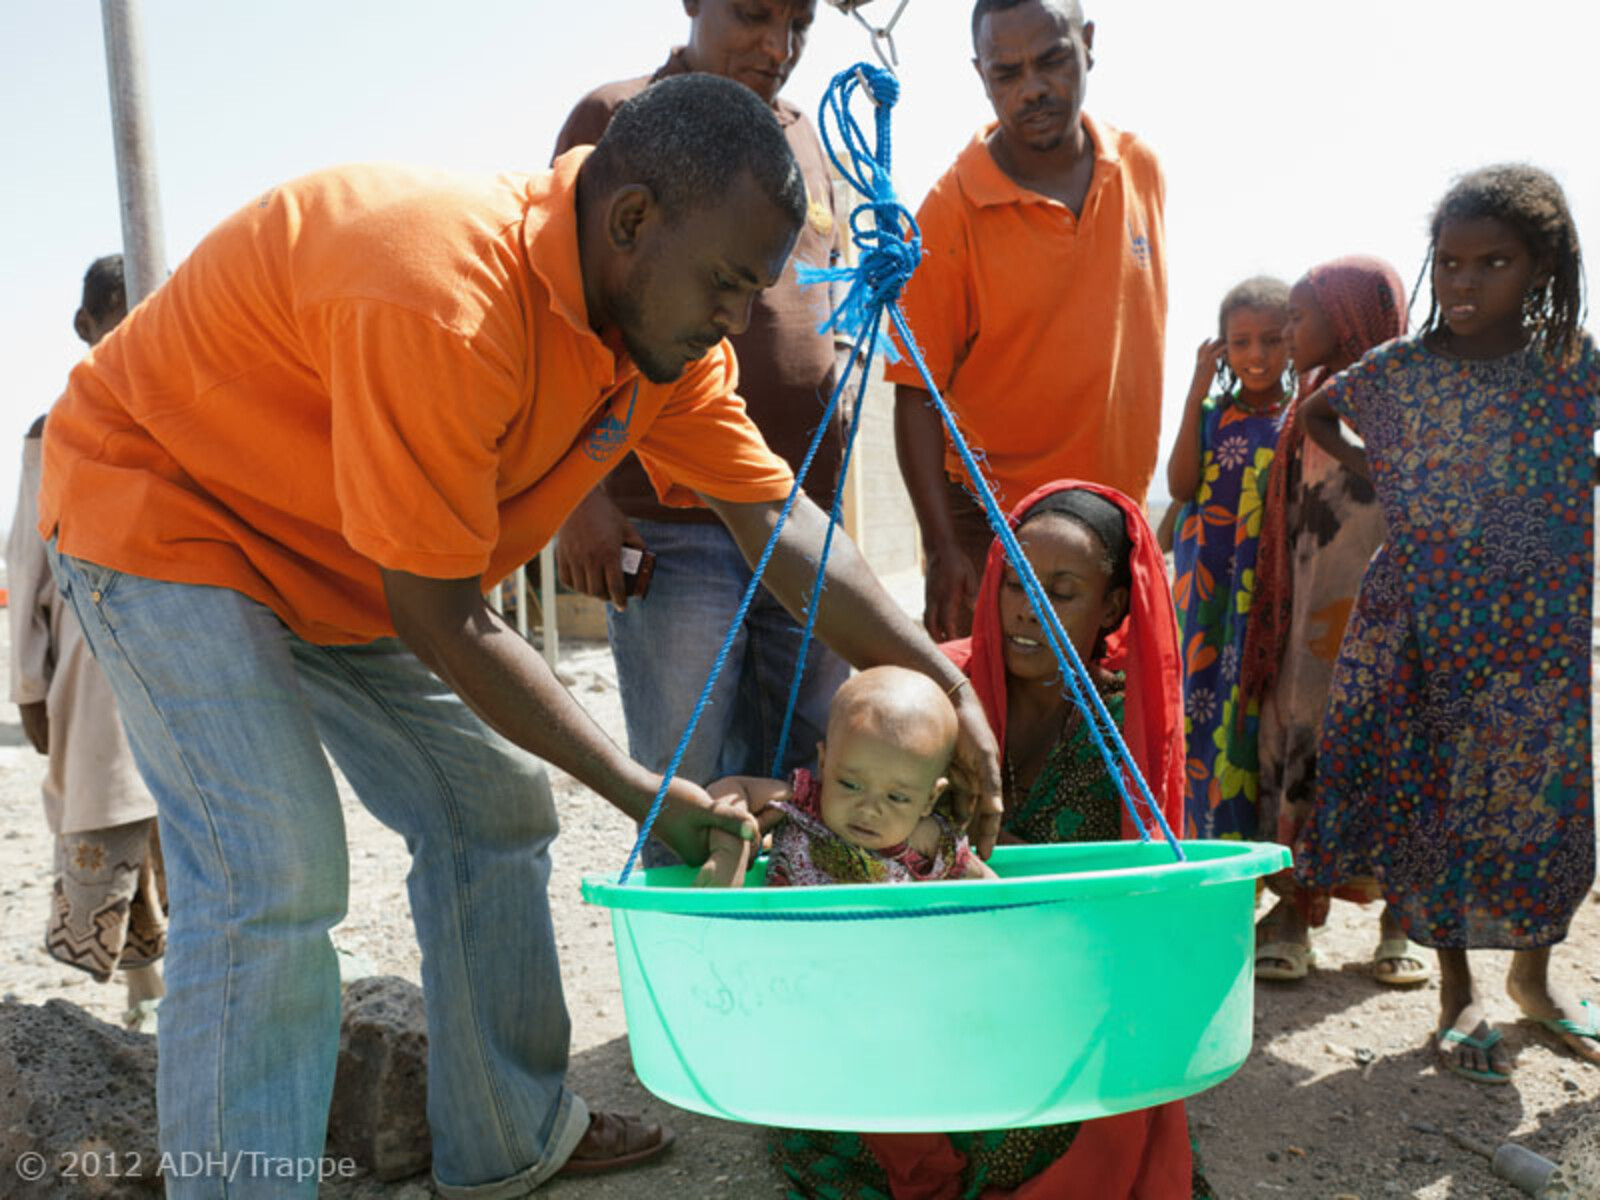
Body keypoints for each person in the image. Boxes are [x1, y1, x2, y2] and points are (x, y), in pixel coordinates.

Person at [38, 75, 1001, 1199]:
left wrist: (946, 683)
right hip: (166, 514)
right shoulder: (441, 295)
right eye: (728, 283)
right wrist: (644, 789)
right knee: (275, 869)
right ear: (633, 218)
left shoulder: (662, 346)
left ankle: (504, 1136)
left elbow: (780, 525)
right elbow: (441, 616)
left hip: (349, 556)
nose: (737, 319)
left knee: (496, 805)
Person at [771, 482, 1207, 1199]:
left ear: (1112, 607)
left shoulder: (1129, 730)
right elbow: (841, 795)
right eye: (1014, 583)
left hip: (1055, 991)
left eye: (1062, 591)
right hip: (912, 980)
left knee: (1058, 1128)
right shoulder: (933, 694)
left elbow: (1138, 913)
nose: (1027, 609)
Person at [1298, 164, 1599, 1085]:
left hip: (1540, 631)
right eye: (1451, 263)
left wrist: (1567, 491)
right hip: (1427, 625)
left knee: (1541, 804)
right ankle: (1457, 989)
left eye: (1493, 263)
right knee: (1436, 804)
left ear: (1542, 263)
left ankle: (1535, 981)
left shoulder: (1570, 366)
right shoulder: (1402, 373)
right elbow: (1317, 412)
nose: (1465, 283)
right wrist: (1400, 477)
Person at [551, 0, 852, 866]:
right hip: (673, 528)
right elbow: (568, 313)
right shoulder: (621, 118)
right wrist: (585, 499)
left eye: (798, 25)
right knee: (689, 792)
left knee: (822, 789)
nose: (777, 46)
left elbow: (825, 324)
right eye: (754, 15)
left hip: (796, 519)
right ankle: (697, 977)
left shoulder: (816, 147)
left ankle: (805, 979)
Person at [888, 0, 1168, 643]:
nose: (1033, 89)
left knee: (1108, 725)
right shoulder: (949, 210)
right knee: (1001, 729)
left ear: (1088, 44)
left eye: (1052, 61)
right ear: (980, 74)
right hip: (998, 527)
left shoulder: (1139, 169)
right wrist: (940, 549)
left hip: (1114, 524)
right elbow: (915, 391)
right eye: (1006, 73)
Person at [1237, 257, 1421, 985]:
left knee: (1393, 758)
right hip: (1307, 631)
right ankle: (1292, 908)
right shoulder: (1308, 402)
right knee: (1296, 754)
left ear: (1347, 321)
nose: (1288, 331)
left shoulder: (1402, 406)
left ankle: (1397, 919)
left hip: (1385, 627)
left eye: (1301, 318)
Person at [6, 254, 165, 1032]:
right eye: (121, 314)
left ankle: (185, 987)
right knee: (113, 816)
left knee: (185, 822)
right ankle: (144, 994)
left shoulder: (182, 409)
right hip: (90, 662)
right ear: (86, 327)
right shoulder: (54, 428)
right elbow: (26, 567)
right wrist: (29, 689)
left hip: (184, 652)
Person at [1166, 276, 1291, 840]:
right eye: (1240, 342)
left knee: (1252, 718)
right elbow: (1181, 483)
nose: (1256, 355)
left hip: (1264, 594)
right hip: (1207, 593)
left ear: (1295, 340)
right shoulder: (1214, 415)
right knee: (1200, 709)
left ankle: (1257, 847)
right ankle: (1204, 837)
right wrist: (1196, 391)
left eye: (1272, 339)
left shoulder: (1300, 417)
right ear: (1221, 348)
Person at [699, 665, 994, 887]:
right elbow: (731, 788)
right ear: (825, 763)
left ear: (930, 798)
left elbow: (997, 891)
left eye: (896, 797)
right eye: (850, 784)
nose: (868, 809)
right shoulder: (804, 802)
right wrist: (728, 849)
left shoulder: (927, 839)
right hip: (789, 951)